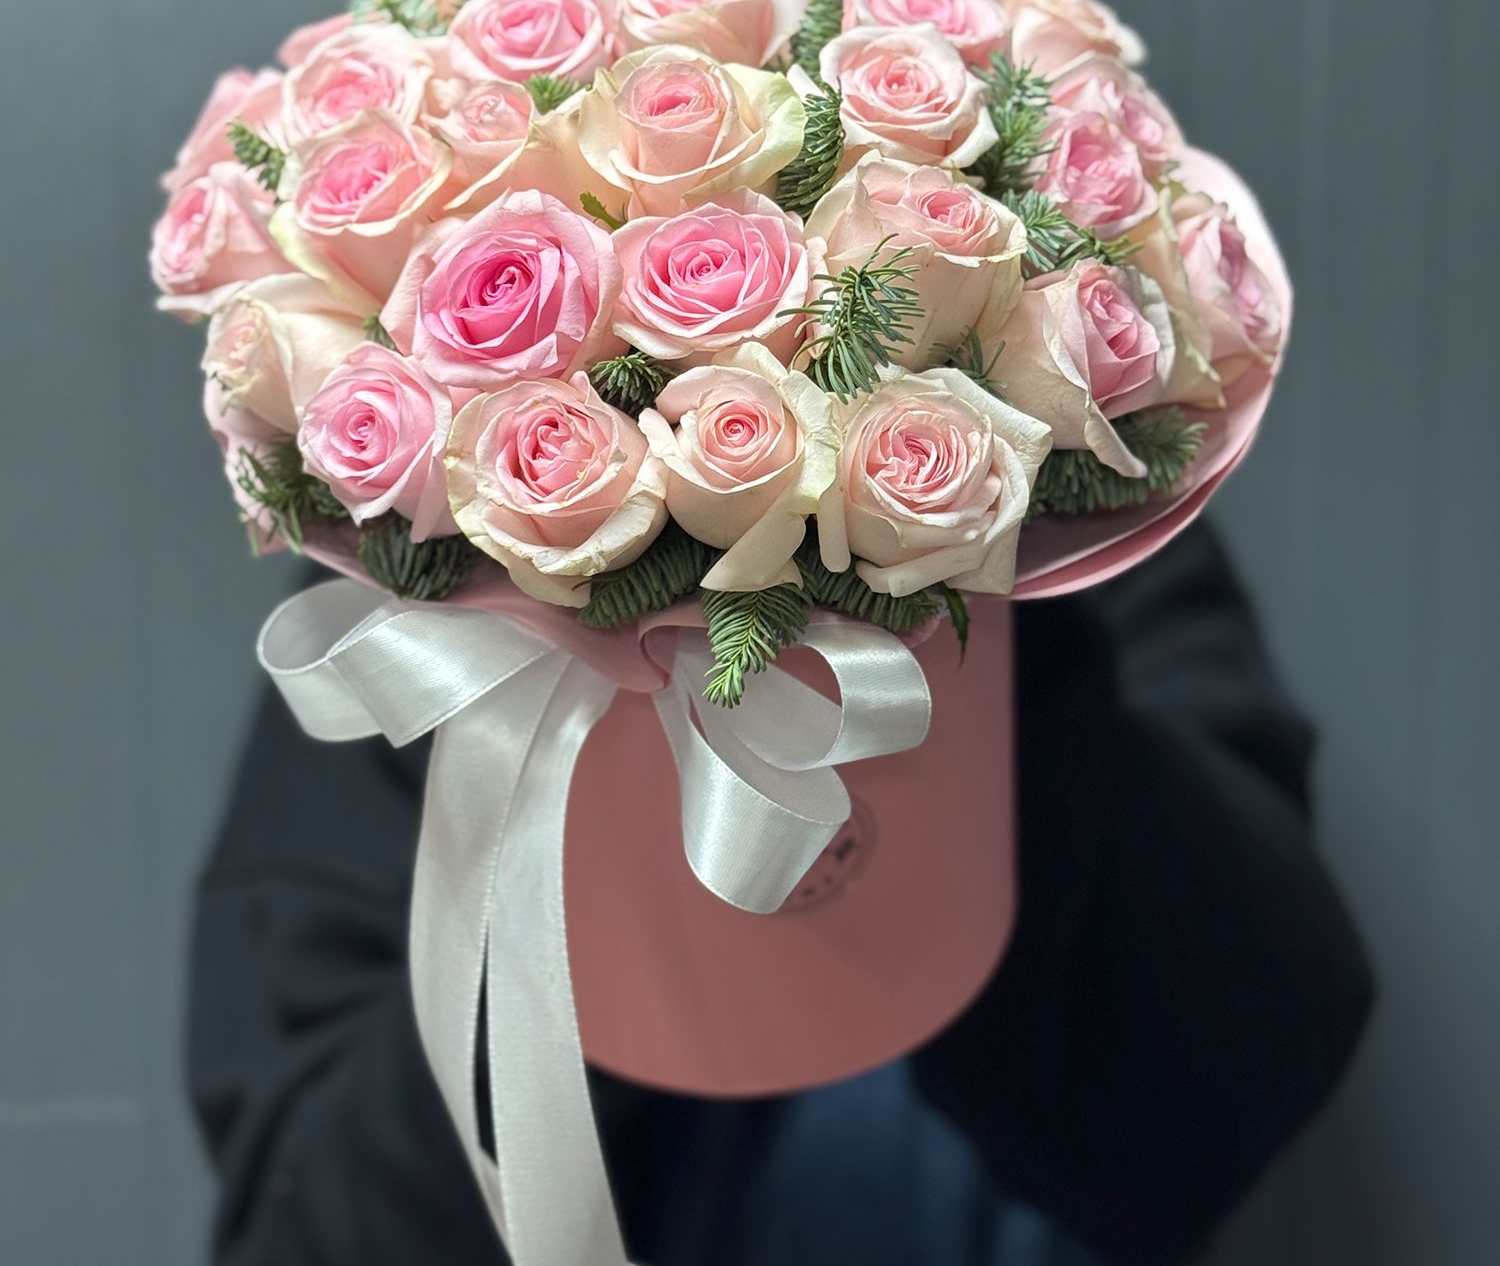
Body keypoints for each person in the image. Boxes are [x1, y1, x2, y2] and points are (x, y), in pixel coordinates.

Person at [187, 522, 1373, 1265]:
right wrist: (596, 859)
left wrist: (997, 658)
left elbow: (1243, 1079)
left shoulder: (1085, 536)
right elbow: (309, 1229)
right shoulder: (418, 609)